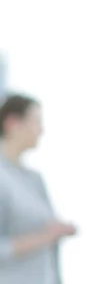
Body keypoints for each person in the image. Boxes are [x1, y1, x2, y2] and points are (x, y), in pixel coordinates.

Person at [0, 94, 77, 284]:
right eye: (36, 122)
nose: (41, 130)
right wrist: (46, 236)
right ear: (12, 123)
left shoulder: (35, 179)